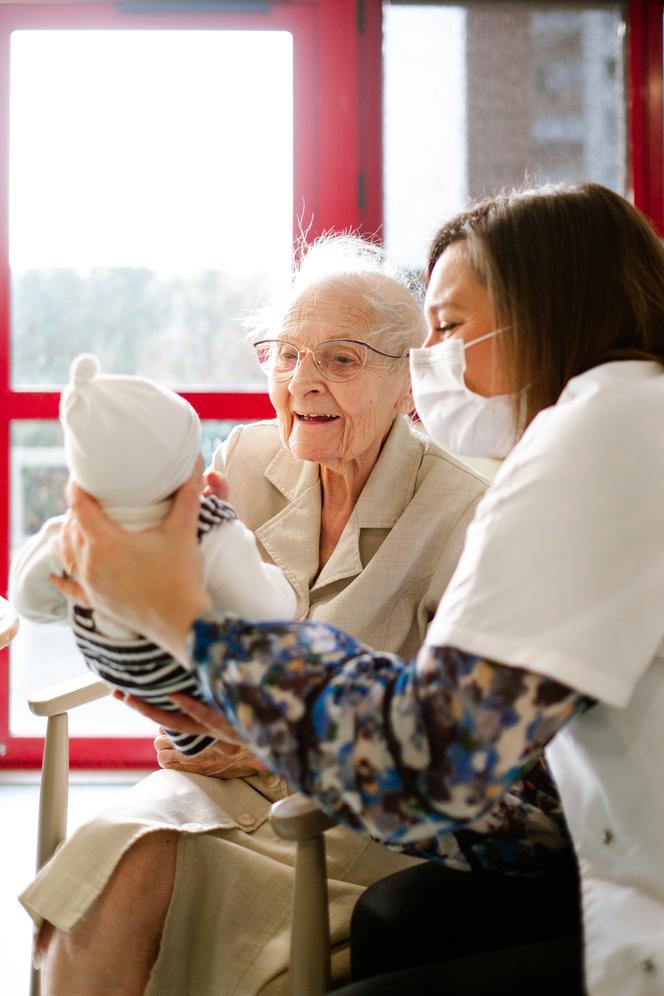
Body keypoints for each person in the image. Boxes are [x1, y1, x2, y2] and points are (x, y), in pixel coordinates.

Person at [54, 183, 664, 996]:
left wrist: (183, 617)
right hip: (560, 834)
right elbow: (502, 795)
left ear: (550, 310)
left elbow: (432, 765)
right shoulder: (619, 421)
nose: (431, 363)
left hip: (573, 870)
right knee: (132, 861)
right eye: (287, 353)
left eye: (447, 328)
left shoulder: (586, 447)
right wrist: (225, 708)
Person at [19, 236, 517, 996]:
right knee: (110, 864)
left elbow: (446, 749)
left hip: (347, 816)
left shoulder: (462, 512)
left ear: (409, 382)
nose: (302, 380)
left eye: (341, 359)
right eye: (285, 355)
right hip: (216, 780)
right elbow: (186, 620)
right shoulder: (247, 458)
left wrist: (270, 742)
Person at [10, 353, 296, 756]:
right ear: (180, 468)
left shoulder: (78, 533)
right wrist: (267, 569)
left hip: (122, 671)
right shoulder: (209, 533)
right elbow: (268, 611)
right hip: (201, 694)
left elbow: (28, 600)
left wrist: (66, 557)